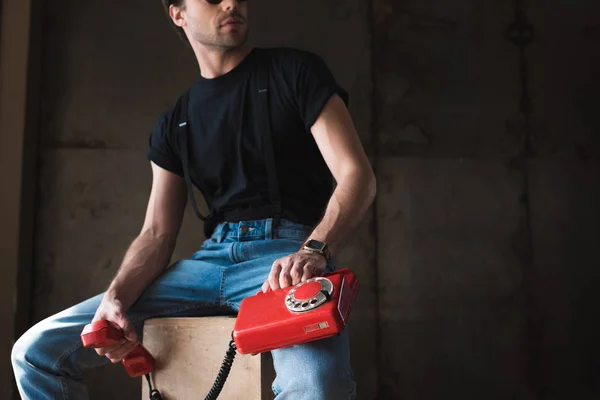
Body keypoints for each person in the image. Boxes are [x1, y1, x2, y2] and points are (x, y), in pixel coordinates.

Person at [11, 0, 376, 398]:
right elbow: (156, 234)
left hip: (283, 259)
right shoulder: (173, 124)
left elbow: (356, 175)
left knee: (317, 385)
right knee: (35, 352)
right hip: (204, 269)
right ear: (178, 14)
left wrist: (314, 251)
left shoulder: (296, 72)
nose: (232, 2)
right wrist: (116, 298)